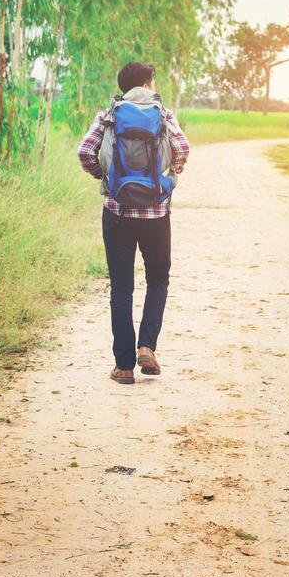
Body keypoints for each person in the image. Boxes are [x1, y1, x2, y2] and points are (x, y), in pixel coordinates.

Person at [77, 61, 190, 384]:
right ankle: (147, 346)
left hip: (117, 212)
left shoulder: (109, 114)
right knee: (158, 280)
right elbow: (182, 149)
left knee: (122, 288)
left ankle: (124, 367)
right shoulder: (163, 114)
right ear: (147, 83)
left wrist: (105, 177)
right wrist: (169, 176)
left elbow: (85, 151)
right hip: (156, 213)